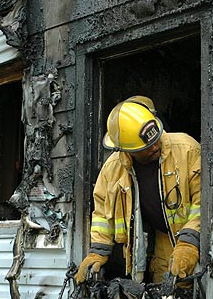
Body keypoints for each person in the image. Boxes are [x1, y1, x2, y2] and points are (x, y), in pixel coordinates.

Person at [75, 95, 201, 288]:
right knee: (164, 294)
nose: (156, 146)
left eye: (157, 138)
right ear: (126, 150)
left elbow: (204, 203)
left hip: (191, 239)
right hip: (161, 240)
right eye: (147, 146)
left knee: (188, 287)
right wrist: (98, 251)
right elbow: (101, 214)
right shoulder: (112, 170)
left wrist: (190, 244)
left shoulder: (187, 150)